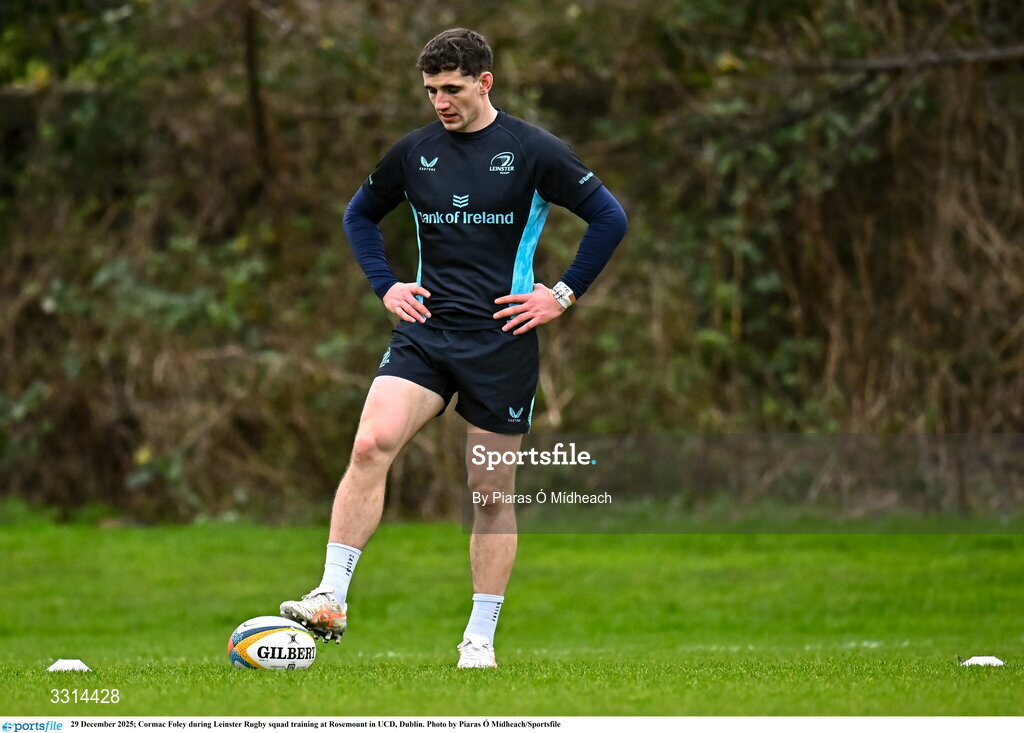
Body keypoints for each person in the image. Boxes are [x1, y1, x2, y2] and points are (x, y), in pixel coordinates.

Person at [280, 28, 627, 668]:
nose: (440, 101)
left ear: (484, 82)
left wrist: (561, 294)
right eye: (431, 90)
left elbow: (610, 217)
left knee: (489, 492)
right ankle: (330, 596)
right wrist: (385, 285)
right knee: (369, 443)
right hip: (426, 333)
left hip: (502, 341)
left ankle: (480, 638)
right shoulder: (414, 152)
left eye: (452, 89)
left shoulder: (532, 150)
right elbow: (359, 214)